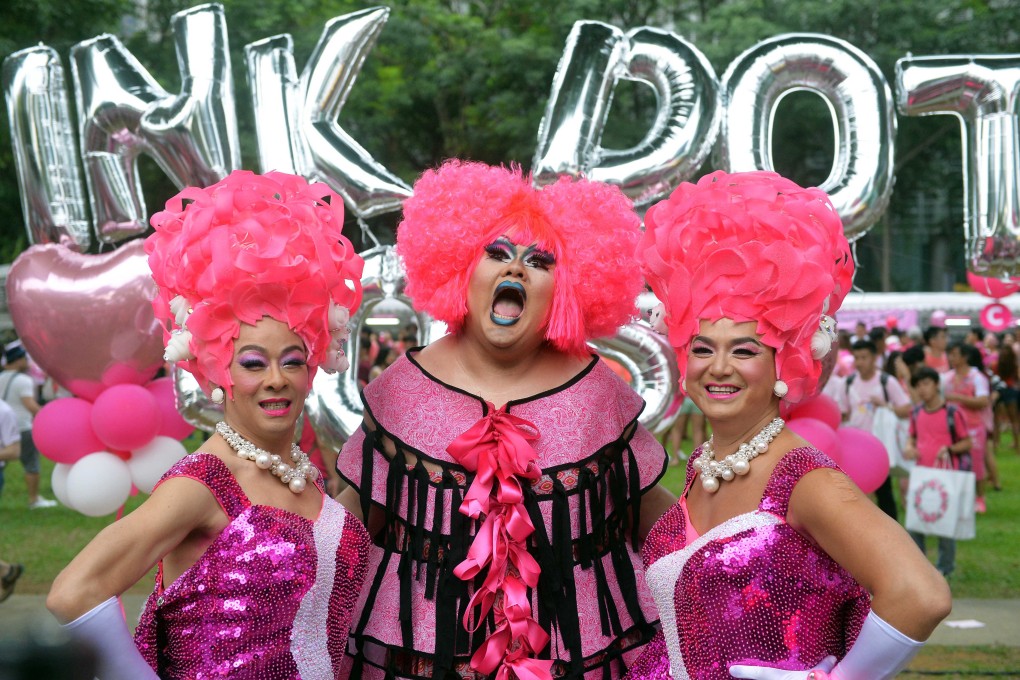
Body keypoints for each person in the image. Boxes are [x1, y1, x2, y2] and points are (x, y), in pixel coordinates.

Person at [336, 160, 673, 678]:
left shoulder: (597, 394)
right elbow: (346, 533)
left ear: (565, 290)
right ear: (460, 270)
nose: (514, 269)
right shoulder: (401, 391)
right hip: (420, 653)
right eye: (496, 254)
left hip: (575, 657)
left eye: (539, 261)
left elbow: (666, 530)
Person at [626, 170, 950, 680]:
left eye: (745, 351)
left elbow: (920, 594)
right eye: (704, 348)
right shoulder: (708, 463)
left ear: (786, 363)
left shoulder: (805, 480)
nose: (720, 367)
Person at [46, 171, 370, 680]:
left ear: (313, 369)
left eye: (292, 361)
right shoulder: (204, 483)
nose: (276, 380)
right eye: (253, 363)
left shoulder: (304, 478)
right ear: (221, 373)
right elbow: (73, 592)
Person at [903, 367, 972, 579]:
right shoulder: (916, 413)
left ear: (936, 385)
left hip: (946, 477)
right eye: (918, 385)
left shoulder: (952, 413)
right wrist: (909, 447)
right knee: (916, 524)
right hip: (923, 475)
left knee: (945, 524)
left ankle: (945, 569)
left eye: (926, 384)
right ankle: (921, 568)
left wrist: (949, 449)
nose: (922, 390)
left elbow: (967, 442)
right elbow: (911, 437)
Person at [836, 339, 912, 520]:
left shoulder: (887, 382)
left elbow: (906, 409)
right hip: (855, 448)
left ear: (874, 358)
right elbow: (843, 414)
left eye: (864, 357)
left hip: (880, 446)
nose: (860, 362)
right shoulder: (847, 383)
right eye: (857, 358)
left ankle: (891, 530)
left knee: (884, 493)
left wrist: (886, 406)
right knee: (856, 493)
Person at [0, 342, 56, 508]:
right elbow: (30, 405)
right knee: (31, 464)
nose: (27, 362)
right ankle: (34, 499)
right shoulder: (24, 380)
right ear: (18, 360)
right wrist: (48, 417)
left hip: (2, 427)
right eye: (25, 359)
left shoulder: (1, 377)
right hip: (21, 426)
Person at [943, 342, 992, 513]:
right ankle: (961, 497)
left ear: (965, 357)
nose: (951, 358)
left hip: (973, 427)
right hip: (952, 427)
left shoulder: (976, 377)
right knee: (956, 462)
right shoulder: (946, 377)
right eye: (950, 354)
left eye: (955, 354)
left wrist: (957, 397)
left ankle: (980, 498)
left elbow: (983, 400)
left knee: (976, 463)